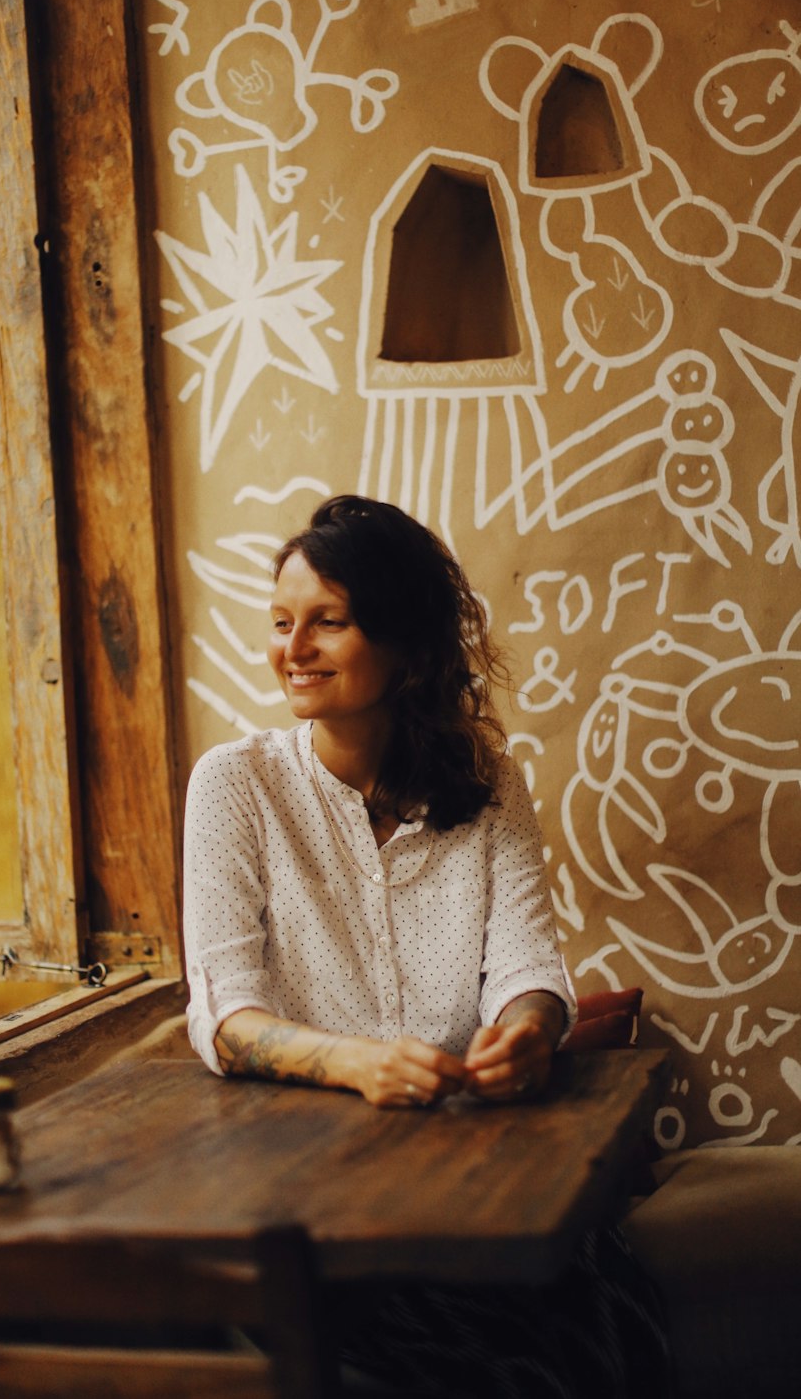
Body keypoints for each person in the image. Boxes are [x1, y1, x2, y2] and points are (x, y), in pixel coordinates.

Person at [182, 495, 670, 1397]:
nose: (292, 649)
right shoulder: (235, 787)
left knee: (594, 1338)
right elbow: (222, 1014)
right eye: (282, 623)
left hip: (478, 1170)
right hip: (308, 1186)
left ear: (406, 644)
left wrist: (529, 1028)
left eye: (327, 622)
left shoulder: (487, 785)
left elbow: (529, 968)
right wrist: (355, 1064)